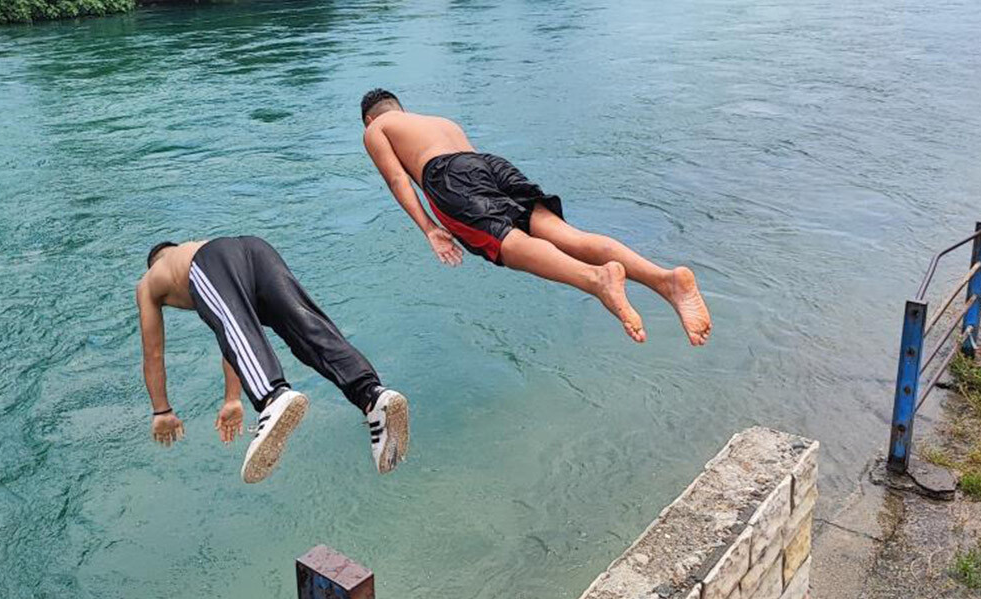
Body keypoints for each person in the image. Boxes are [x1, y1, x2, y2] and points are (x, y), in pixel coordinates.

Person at [359, 88, 712, 346]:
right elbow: (466, 163)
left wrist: (429, 229)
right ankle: (666, 280)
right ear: (402, 108)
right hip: (489, 163)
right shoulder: (439, 122)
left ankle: (595, 280)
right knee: (567, 235)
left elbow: (396, 179)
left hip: (448, 176)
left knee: (510, 246)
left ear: (371, 117)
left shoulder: (376, 128)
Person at [136, 235, 410, 482]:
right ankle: (372, 395)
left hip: (214, 260)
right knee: (307, 330)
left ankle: (272, 396)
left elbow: (154, 354)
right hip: (256, 249)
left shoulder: (150, 281)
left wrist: (162, 411)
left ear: (154, 262)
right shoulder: (193, 246)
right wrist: (232, 399)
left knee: (242, 334)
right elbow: (232, 335)